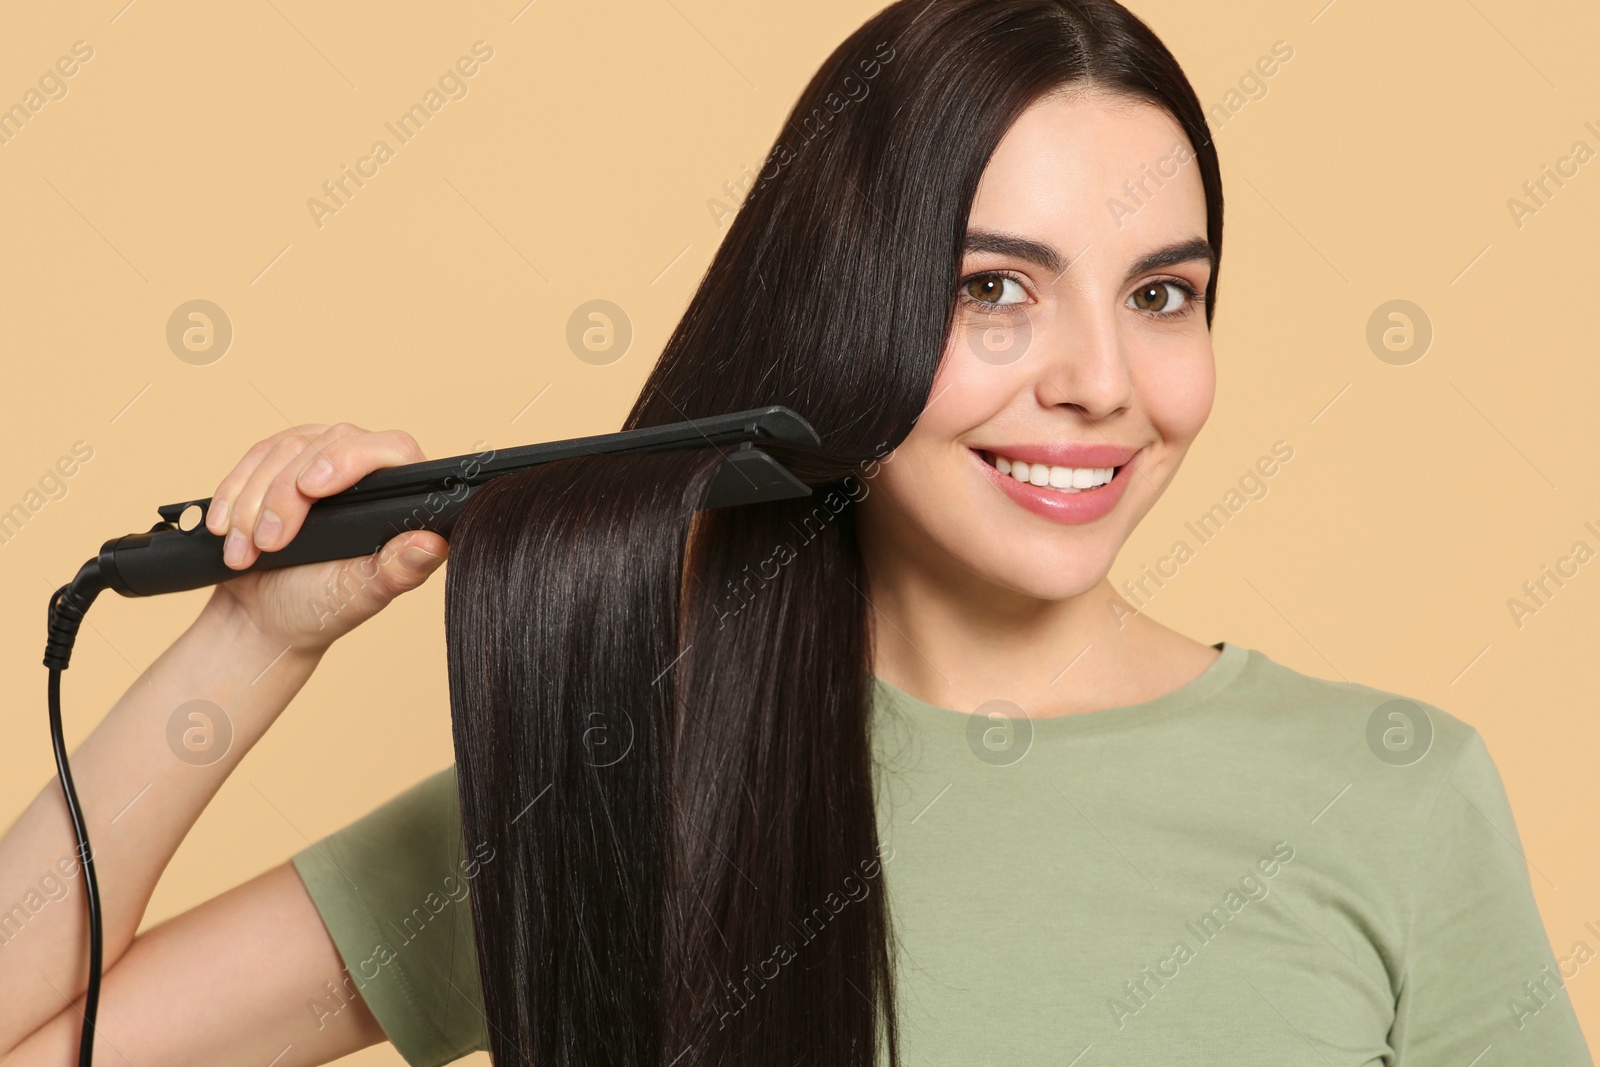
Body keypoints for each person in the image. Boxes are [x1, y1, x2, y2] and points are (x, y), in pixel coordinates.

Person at [0, 0, 1590, 1064]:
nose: (1103, 384)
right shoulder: (614, 781)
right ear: (840, 320)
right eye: (991, 291)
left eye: (1163, 295)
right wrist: (253, 639)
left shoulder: (1398, 797)